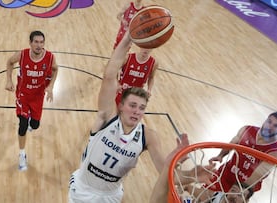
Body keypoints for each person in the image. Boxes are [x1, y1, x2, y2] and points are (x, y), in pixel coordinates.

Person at [68, 32, 187, 203]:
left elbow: (166, 173)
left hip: (111, 196)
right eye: (132, 106)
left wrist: (187, 171)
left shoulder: (149, 136)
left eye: (142, 108)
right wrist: (128, 38)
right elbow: (109, 76)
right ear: (121, 106)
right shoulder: (107, 117)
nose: (137, 111)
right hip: (83, 190)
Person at [5, 30, 58, 171]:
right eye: (36, 42)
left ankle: (31, 123)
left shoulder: (49, 57)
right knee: (22, 124)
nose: (39, 45)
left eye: (41, 42)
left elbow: (55, 70)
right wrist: (8, 80)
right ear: (30, 43)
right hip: (23, 95)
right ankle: (22, 154)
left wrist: (51, 86)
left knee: (35, 125)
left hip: (38, 97)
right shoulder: (22, 55)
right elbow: (9, 62)